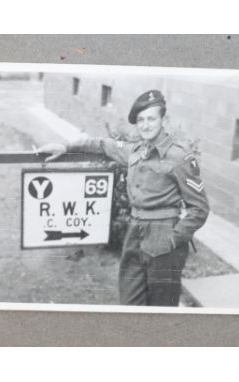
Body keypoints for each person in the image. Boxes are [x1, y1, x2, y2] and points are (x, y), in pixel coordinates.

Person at [38, 90, 209, 306]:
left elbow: (200, 209)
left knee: (162, 309)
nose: (145, 125)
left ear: (163, 120)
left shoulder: (179, 157)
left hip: (164, 237)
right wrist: (65, 146)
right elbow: (100, 144)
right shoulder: (134, 151)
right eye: (140, 120)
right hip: (134, 233)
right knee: (130, 304)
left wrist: (174, 238)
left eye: (151, 119)